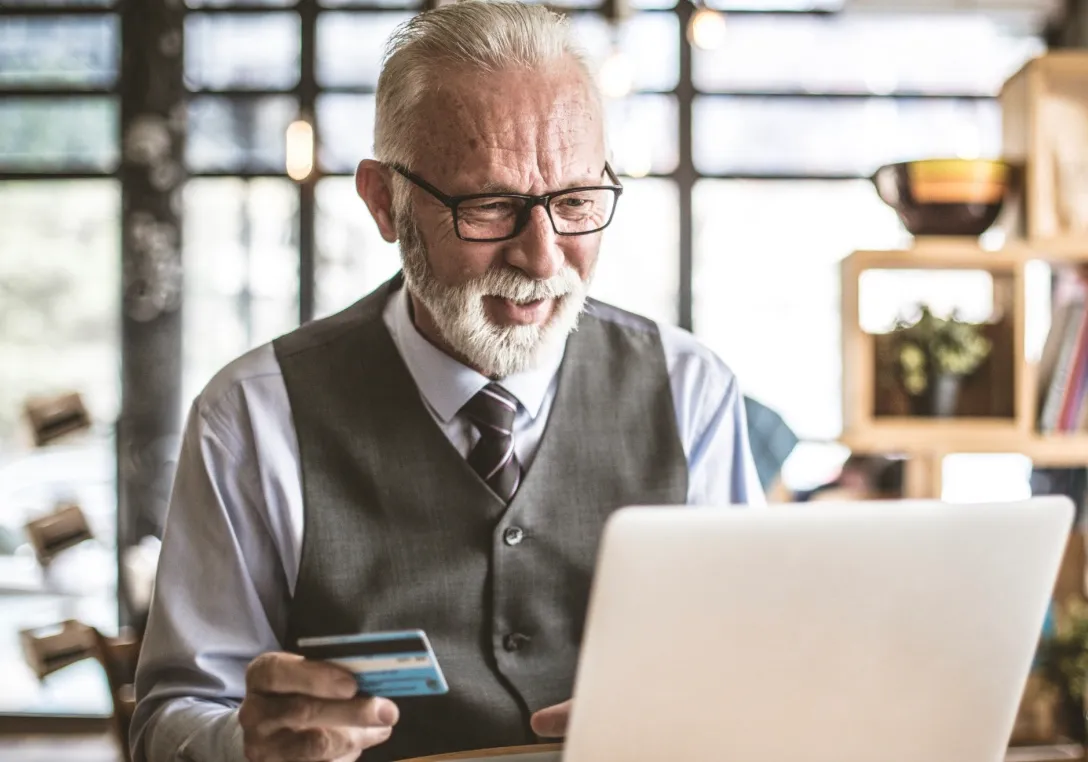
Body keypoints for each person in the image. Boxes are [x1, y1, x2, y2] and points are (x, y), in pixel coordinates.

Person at [131, 1, 764, 760]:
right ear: (383, 200)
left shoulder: (690, 390)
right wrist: (246, 744)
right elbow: (171, 719)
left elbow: (755, 667)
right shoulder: (252, 416)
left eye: (575, 203)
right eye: (491, 206)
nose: (543, 258)